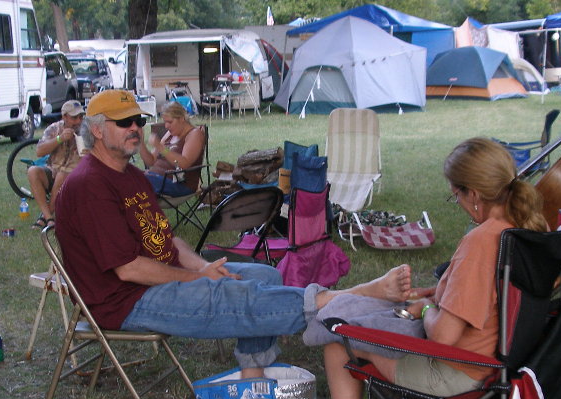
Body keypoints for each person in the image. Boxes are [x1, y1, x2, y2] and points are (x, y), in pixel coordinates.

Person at [54, 89, 413, 380]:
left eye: (138, 120)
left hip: (157, 278)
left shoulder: (131, 176)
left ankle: (252, 373)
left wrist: (202, 267)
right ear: (97, 130)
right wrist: (198, 277)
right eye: (124, 122)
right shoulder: (89, 185)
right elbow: (129, 269)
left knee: (264, 274)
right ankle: (346, 298)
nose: (135, 128)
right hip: (124, 300)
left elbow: (168, 240)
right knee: (234, 293)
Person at [298, 137, 549, 399]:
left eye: (456, 195)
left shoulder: (482, 242)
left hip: (460, 376)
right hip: (499, 366)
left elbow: (443, 336)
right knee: (388, 325)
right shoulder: (523, 230)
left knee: (339, 342)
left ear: (474, 194)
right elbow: (489, 298)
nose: (458, 202)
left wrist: (426, 308)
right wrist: (435, 294)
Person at [27, 100, 85, 228]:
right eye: (74, 118)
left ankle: (45, 217)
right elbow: (39, 151)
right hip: (53, 170)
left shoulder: (88, 130)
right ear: (64, 117)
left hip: (77, 176)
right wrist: (60, 138)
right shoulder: (54, 128)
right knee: (33, 171)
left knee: (62, 175)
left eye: (81, 117)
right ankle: (48, 216)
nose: (78, 121)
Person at [139, 102, 205, 197]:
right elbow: (151, 161)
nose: (166, 126)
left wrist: (160, 147)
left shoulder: (194, 134)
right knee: (127, 174)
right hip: (156, 179)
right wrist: (140, 143)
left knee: (137, 180)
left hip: (179, 184)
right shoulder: (170, 134)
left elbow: (184, 164)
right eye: (165, 122)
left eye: (170, 122)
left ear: (182, 118)